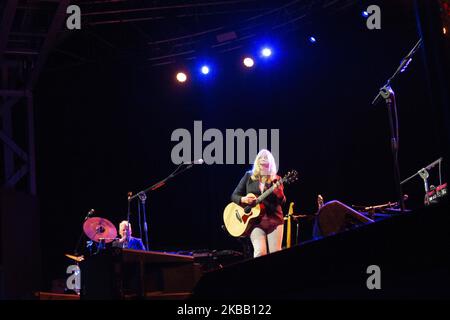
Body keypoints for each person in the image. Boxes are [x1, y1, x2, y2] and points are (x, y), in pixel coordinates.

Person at [231, 149, 286, 257]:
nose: (263, 159)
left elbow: (282, 202)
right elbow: (234, 196)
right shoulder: (248, 177)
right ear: (257, 162)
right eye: (261, 157)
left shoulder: (276, 179)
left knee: (276, 253)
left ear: (270, 163)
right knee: (260, 252)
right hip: (255, 222)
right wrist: (244, 199)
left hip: (274, 220)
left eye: (266, 158)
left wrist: (280, 194)